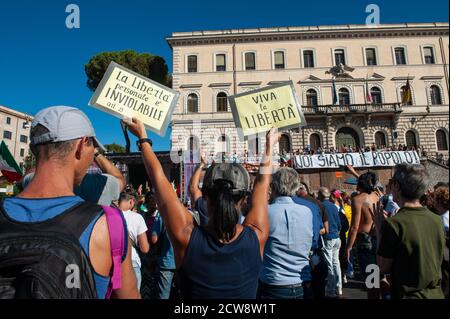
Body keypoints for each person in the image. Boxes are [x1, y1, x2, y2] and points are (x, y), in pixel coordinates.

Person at [122, 118, 279, 299]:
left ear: (205, 196)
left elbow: (159, 180)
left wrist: (143, 138)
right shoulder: (257, 235)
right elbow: (262, 183)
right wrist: (268, 146)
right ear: (244, 199)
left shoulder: (186, 236)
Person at [0, 106, 139, 299]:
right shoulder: (109, 224)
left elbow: (29, 175)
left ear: (33, 149)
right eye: (92, 146)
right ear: (81, 146)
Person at [374, 164, 445, 299]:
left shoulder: (394, 223)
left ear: (397, 187)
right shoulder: (436, 219)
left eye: (392, 183)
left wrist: (379, 231)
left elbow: (383, 267)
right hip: (435, 294)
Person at [259, 168, 319, 299]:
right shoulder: (307, 211)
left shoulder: (265, 212)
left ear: (273, 187)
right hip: (302, 282)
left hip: (274, 282)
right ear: (297, 187)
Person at [21, 140, 126, 206]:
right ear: (81, 145)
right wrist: (96, 153)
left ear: (34, 150)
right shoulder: (98, 184)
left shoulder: (31, 182)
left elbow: (27, 176)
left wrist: (45, 154)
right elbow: (119, 179)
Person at [345, 170, 380, 299]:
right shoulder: (376, 196)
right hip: (377, 238)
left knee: (372, 281)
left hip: (365, 242)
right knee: (377, 277)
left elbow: (354, 227)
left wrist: (348, 247)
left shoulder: (358, 199)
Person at [294, 182, 328, 299]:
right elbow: (323, 229)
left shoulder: (294, 204)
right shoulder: (316, 205)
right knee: (318, 289)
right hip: (315, 252)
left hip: (300, 256)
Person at [118, 192, 149, 292]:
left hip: (112, 264)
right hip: (132, 263)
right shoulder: (137, 217)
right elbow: (144, 249)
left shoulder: (107, 215)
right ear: (131, 202)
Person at [318, 187, 342, 298]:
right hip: (336, 237)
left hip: (328, 237)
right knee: (336, 262)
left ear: (320, 195)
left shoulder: (321, 206)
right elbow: (339, 223)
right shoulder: (334, 206)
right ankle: (339, 287)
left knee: (329, 264)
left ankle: (331, 290)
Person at [151, 211, 176, 299]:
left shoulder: (162, 216)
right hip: (184, 263)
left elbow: (154, 239)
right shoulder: (188, 214)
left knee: (164, 295)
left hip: (167, 262)